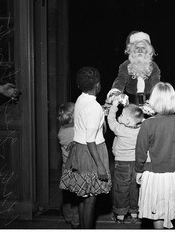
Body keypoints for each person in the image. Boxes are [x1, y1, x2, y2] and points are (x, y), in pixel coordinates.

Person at [135, 82, 175, 229]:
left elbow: (140, 151)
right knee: (170, 209)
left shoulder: (148, 124)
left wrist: (138, 170)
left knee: (157, 212)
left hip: (154, 174)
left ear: (153, 101)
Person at [59, 67, 112, 228]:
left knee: (84, 195)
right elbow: (91, 140)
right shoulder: (94, 108)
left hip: (80, 151)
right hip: (92, 153)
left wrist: (101, 112)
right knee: (90, 200)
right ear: (98, 85)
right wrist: (100, 166)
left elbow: (87, 119)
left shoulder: (80, 100)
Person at [107, 100, 144, 224]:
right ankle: (134, 213)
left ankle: (120, 215)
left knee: (121, 189)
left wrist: (114, 106)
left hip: (122, 164)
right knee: (135, 189)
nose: (119, 116)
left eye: (122, 115)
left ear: (127, 121)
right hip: (137, 164)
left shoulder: (120, 129)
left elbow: (111, 119)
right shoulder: (142, 130)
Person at [106, 31, 161, 106]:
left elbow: (156, 83)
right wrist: (116, 91)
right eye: (137, 48)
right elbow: (120, 80)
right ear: (131, 50)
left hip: (149, 104)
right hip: (130, 105)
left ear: (148, 50)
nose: (140, 51)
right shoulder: (126, 65)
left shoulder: (153, 66)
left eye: (143, 48)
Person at [57, 102, 79, 229]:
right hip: (75, 167)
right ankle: (76, 221)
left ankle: (67, 216)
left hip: (65, 167)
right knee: (76, 195)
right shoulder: (74, 131)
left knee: (67, 194)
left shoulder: (62, 129)